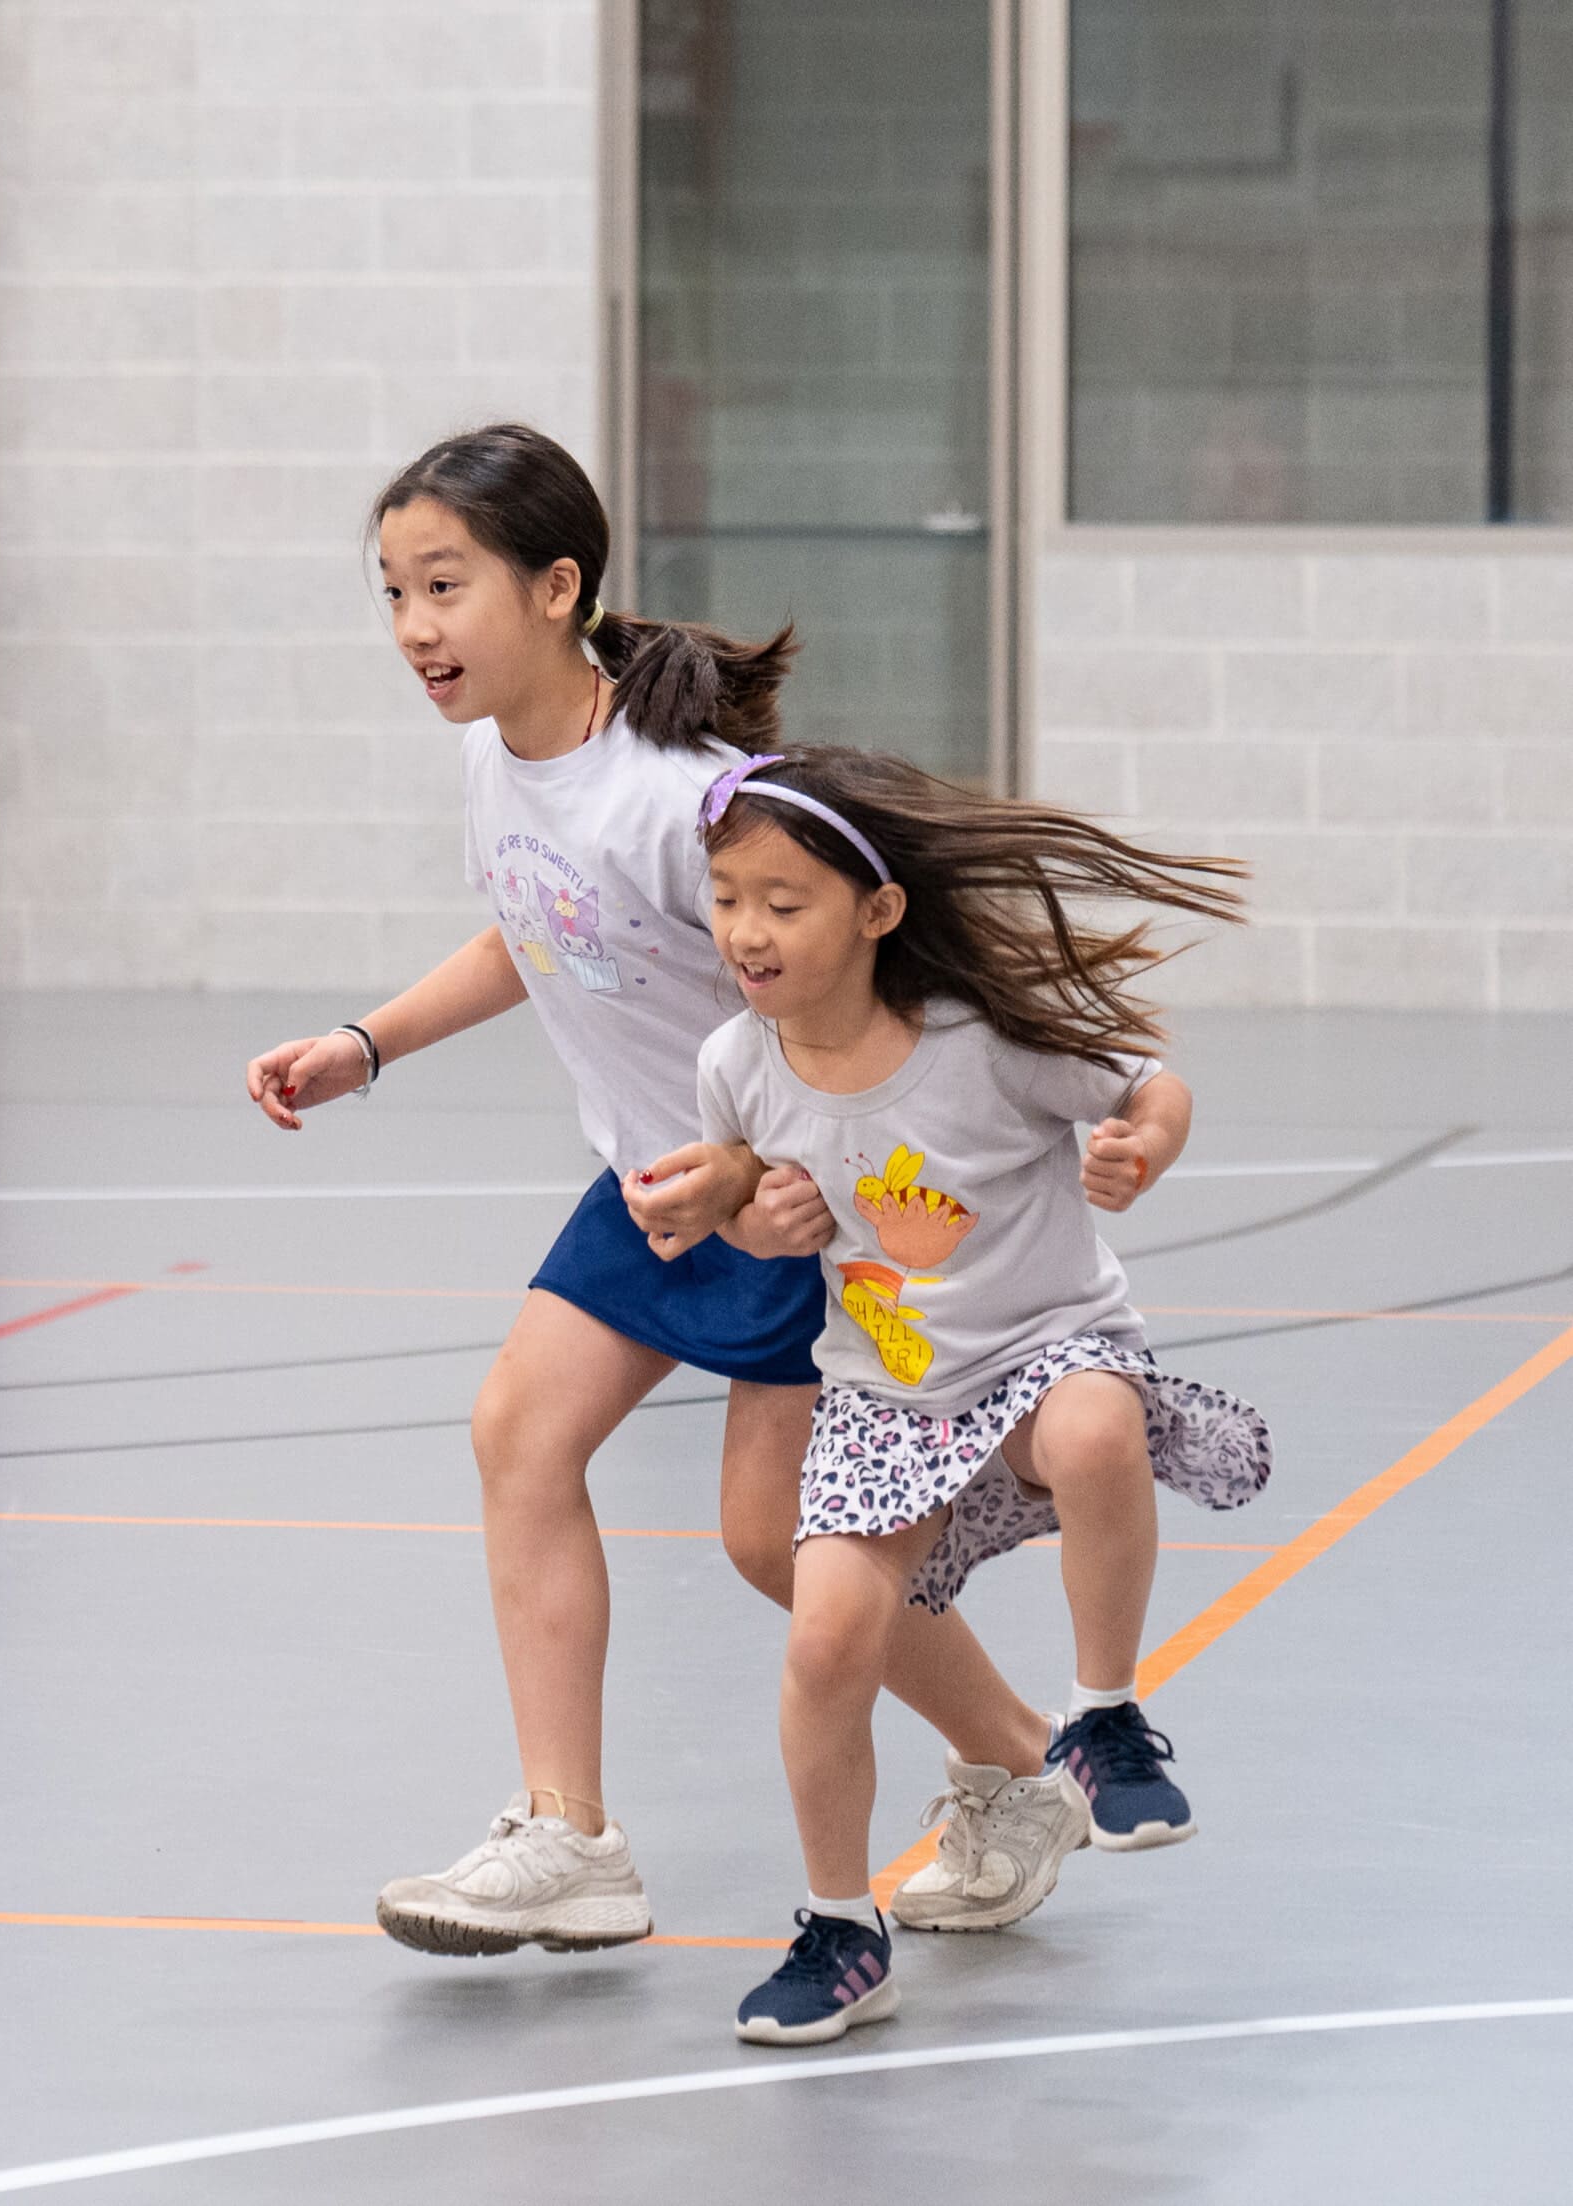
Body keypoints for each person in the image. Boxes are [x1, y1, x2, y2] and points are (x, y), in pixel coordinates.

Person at [241, 424, 1068, 1959]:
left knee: (772, 1542)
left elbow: (836, 973)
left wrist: (782, 1166)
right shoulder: (494, 752)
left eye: (445, 584)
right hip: (648, 1174)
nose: (414, 624)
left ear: (555, 586)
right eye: (392, 590)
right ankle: (568, 1835)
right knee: (518, 1430)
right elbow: (530, 927)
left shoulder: (686, 799)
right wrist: (370, 1042)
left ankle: (1019, 1767)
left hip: (780, 1192)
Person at [653, 745, 1271, 2045]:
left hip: (1044, 1344)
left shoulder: (984, 1040)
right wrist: (720, 1202)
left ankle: (1102, 1721)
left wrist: (1140, 1146)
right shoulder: (735, 1060)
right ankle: (838, 1926)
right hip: (884, 1395)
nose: (744, 929)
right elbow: (757, 1190)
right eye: (723, 896)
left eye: (781, 899)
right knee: (825, 1641)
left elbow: (1148, 1081)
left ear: (877, 910)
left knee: (1097, 1421)